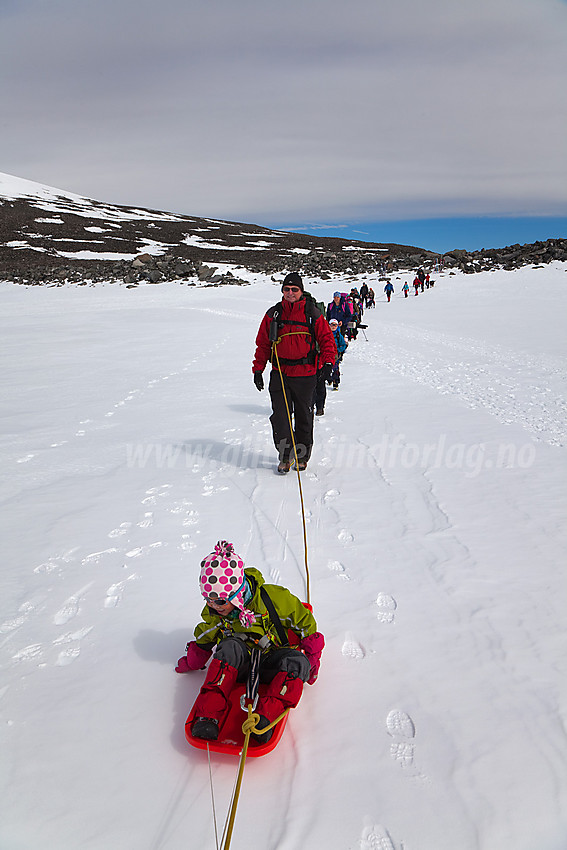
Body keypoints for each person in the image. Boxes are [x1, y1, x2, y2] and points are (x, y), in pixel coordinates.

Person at [176, 540, 325, 744]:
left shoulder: (274, 599)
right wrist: (192, 661)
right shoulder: (217, 614)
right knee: (228, 647)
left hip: (273, 661)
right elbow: (205, 637)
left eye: (219, 601)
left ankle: (264, 720)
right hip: (239, 667)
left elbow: (305, 624)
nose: (214, 606)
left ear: (237, 594)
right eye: (208, 599)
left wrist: (312, 659)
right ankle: (208, 716)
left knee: (296, 661)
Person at [252, 272, 337, 474]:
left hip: (306, 374)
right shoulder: (274, 314)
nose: (290, 293)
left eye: (294, 289)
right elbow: (263, 344)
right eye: (287, 289)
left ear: (301, 291)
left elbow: (327, 339)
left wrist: (328, 363)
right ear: (282, 291)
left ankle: (302, 455)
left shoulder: (312, 313)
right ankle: (284, 455)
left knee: (304, 417)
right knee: (280, 417)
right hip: (280, 373)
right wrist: (258, 369)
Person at [328, 319, 348, 389]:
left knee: (335, 369)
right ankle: (329, 379)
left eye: (335, 325)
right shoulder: (326, 334)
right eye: (332, 325)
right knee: (327, 368)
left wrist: (338, 350)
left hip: (335, 355)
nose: (333, 327)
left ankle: (335, 382)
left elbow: (343, 345)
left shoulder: (338, 335)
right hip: (327, 354)